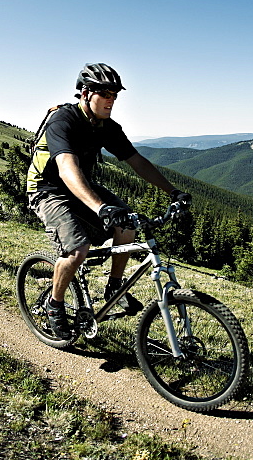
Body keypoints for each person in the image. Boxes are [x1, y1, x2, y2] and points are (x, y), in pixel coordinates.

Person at [27, 63, 191, 338]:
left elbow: (136, 160)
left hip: (82, 185)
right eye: (105, 93)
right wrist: (100, 208)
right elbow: (67, 167)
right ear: (85, 93)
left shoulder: (106, 127)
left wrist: (173, 191)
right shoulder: (63, 120)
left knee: (127, 223)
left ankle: (115, 285)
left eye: (114, 94)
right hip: (48, 189)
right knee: (77, 250)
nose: (111, 99)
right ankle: (54, 306)